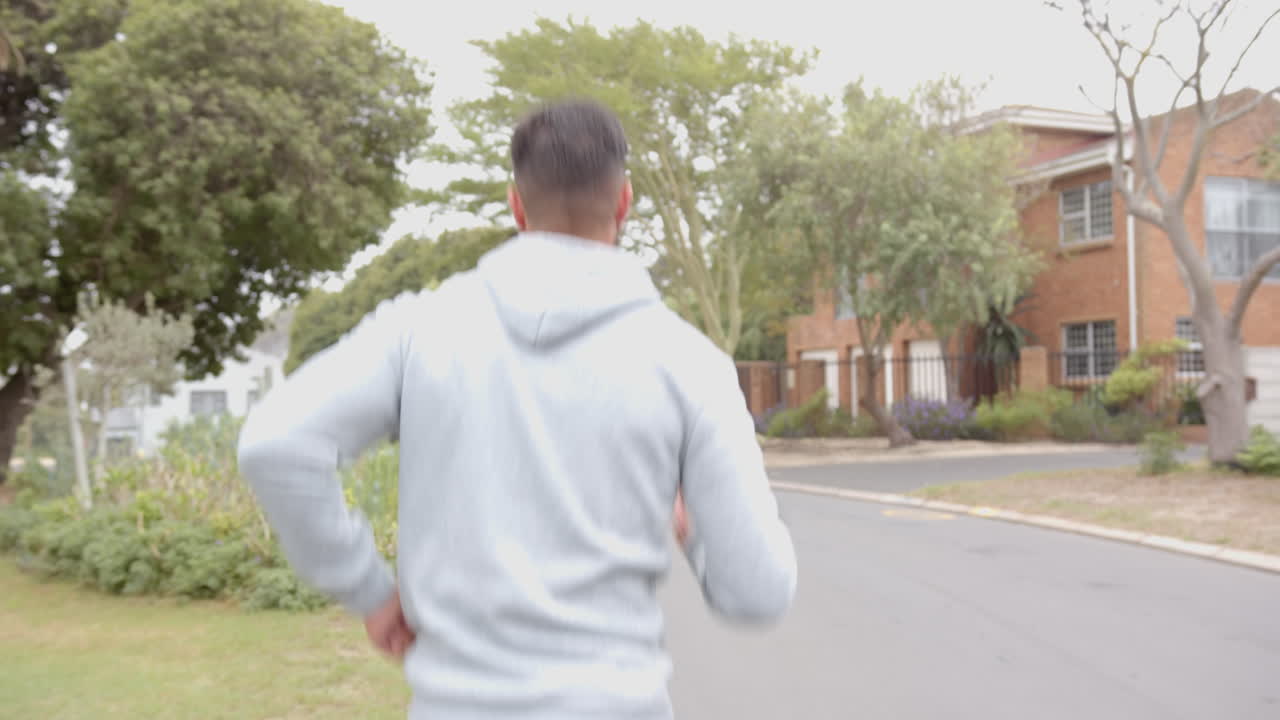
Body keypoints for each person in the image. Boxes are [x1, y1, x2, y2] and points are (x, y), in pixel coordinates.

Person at [237, 98, 796, 719]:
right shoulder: (691, 365)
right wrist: (693, 530)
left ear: (517, 204)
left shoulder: (418, 331)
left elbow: (275, 445)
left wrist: (368, 589)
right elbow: (757, 593)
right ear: (623, 202)